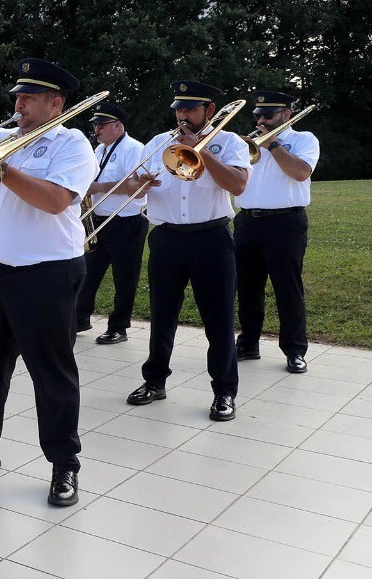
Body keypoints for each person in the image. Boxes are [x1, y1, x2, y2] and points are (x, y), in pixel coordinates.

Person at [0, 58, 96, 507]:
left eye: (29, 97)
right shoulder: (1, 140)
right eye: (18, 97)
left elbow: (56, 201)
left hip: (46, 273)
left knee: (52, 373)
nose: (19, 104)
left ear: (55, 103)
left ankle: (65, 463)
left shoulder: (72, 145)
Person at [126, 81, 250, 421]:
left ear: (209, 111)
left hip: (211, 238)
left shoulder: (229, 142)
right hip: (166, 238)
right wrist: (138, 185)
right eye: (179, 109)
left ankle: (224, 390)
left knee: (218, 318)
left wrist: (202, 151)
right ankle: (154, 382)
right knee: (162, 315)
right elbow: (133, 190)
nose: (183, 115)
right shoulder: (156, 143)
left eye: (191, 109)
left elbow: (238, 184)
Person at [234, 89, 320, 374]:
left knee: (287, 287)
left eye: (267, 115)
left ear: (286, 115)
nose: (261, 120)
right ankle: (248, 343)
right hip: (247, 221)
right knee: (247, 286)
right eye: (257, 114)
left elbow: (300, 172)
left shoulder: (303, 139)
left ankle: (295, 350)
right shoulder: (246, 142)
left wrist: (273, 145)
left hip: (286, 223)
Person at [75, 102, 148, 345]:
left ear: (118, 125)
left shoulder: (134, 148)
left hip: (125, 222)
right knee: (89, 272)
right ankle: (79, 318)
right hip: (98, 219)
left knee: (124, 278)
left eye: (101, 124)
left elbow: (135, 189)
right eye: (95, 124)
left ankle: (119, 327)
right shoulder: (99, 150)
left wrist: (99, 188)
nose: (97, 129)